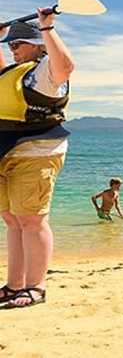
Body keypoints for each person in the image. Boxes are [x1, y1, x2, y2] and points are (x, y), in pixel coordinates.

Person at [0, 16, 74, 309]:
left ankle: (35, 287)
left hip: (37, 150)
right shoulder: (15, 72)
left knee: (31, 220)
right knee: (12, 220)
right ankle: (14, 285)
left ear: (36, 45)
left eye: (18, 44)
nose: (13, 48)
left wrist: (47, 28)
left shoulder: (45, 71)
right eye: (10, 44)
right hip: (6, 151)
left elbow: (66, 68)